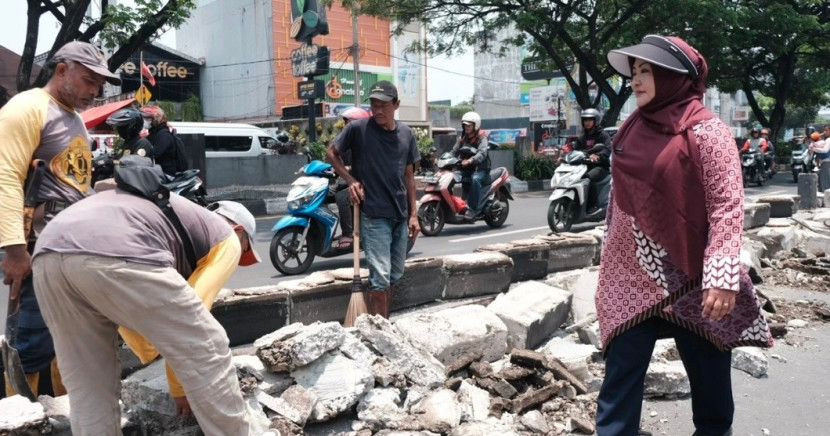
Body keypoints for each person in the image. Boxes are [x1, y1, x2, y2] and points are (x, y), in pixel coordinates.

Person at [598, 35, 773, 436]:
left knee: (710, 386)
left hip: (696, 278)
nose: (635, 81)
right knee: (619, 381)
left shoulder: (708, 131)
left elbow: (727, 205)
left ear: (674, 76)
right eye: (634, 72)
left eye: (647, 72)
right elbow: (618, 207)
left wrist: (722, 277)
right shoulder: (630, 128)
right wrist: (608, 267)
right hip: (632, 276)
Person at [31, 159, 265, 434]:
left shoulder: (160, 213)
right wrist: (179, 387)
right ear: (240, 232)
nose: (240, 260)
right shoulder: (226, 238)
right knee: (210, 346)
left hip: (47, 251)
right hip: (115, 249)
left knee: (89, 382)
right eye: (246, 249)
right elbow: (193, 333)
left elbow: (137, 320)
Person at [0, 40, 121, 398]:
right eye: (89, 81)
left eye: (99, 85)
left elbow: (69, 182)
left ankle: (61, 413)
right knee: (32, 338)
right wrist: (14, 250)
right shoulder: (27, 108)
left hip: (66, 246)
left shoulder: (72, 119)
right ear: (62, 70)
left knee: (63, 335)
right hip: (34, 245)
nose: (94, 91)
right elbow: (5, 177)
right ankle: (20, 415)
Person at [326, 80, 420, 318]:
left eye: (383, 106)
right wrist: (351, 180)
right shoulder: (358, 129)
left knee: (394, 275)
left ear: (396, 105)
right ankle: (380, 332)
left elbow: (409, 176)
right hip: (373, 213)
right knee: (379, 278)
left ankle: (382, 323)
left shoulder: (407, 134)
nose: (378, 110)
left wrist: (413, 214)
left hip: (399, 213)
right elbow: (331, 153)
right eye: (374, 105)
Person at [332, 106, 371, 249]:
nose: (345, 125)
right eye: (345, 122)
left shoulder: (366, 142)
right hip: (346, 181)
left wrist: (350, 168)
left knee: (342, 197)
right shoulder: (344, 140)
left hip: (363, 184)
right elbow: (332, 156)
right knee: (322, 193)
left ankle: (348, 233)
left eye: (348, 122)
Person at [572, 108, 612, 214]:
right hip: (585, 166)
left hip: (600, 167)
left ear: (596, 121)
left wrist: (598, 155)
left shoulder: (603, 135)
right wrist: (565, 156)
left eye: (590, 120)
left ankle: (593, 205)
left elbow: (607, 149)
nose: (587, 122)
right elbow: (575, 151)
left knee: (589, 178)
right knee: (573, 179)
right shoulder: (582, 138)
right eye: (585, 120)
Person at [451, 111, 490, 220]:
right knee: (451, 176)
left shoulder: (482, 137)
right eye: (465, 125)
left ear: (475, 125)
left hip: (481, 169)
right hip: (466, 168)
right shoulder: (462, 138)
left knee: (475, 179)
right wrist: (443, 159)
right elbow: (454, 151)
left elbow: (482, 153)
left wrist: (470, 160)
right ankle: (456, 204)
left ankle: (472, 209)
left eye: (469, 125)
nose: (466, 127)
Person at [141, 105, 180, 177]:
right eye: (144, 118)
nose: (145, 120)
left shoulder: (164, 136)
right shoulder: (152, 134)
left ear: (156, 119)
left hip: (166, 174)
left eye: (148, 118)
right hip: (155, 172)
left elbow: (153, 154)